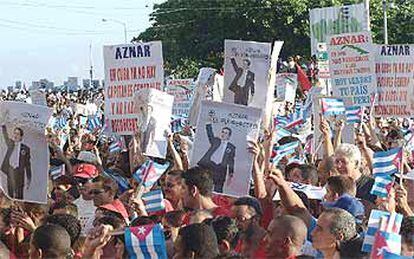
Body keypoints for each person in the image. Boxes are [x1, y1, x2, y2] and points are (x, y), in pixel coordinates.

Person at [198, 118, 236, 192]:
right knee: (203, 186)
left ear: (229, 136)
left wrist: (231, 173)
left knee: (218, 189)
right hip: (209, 165)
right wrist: (208, 124)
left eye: (226, 133)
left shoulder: (231, 147)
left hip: (220, 169)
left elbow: (231, 160)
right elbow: (210, 135)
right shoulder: (216, 141)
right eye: (222, 132)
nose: (223, 134)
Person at [1, 125, 32, 199]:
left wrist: (29, 178)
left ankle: (19, 205)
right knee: (10, 193)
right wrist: (3, 127)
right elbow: (5, 137)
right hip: (10, 170)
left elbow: (28, 164)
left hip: (19, 172)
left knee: (19, 194)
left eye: (17, 134)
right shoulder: (10, 143)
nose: (15, 135)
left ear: (21, 137)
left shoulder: (25, 149)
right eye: (14, 133)